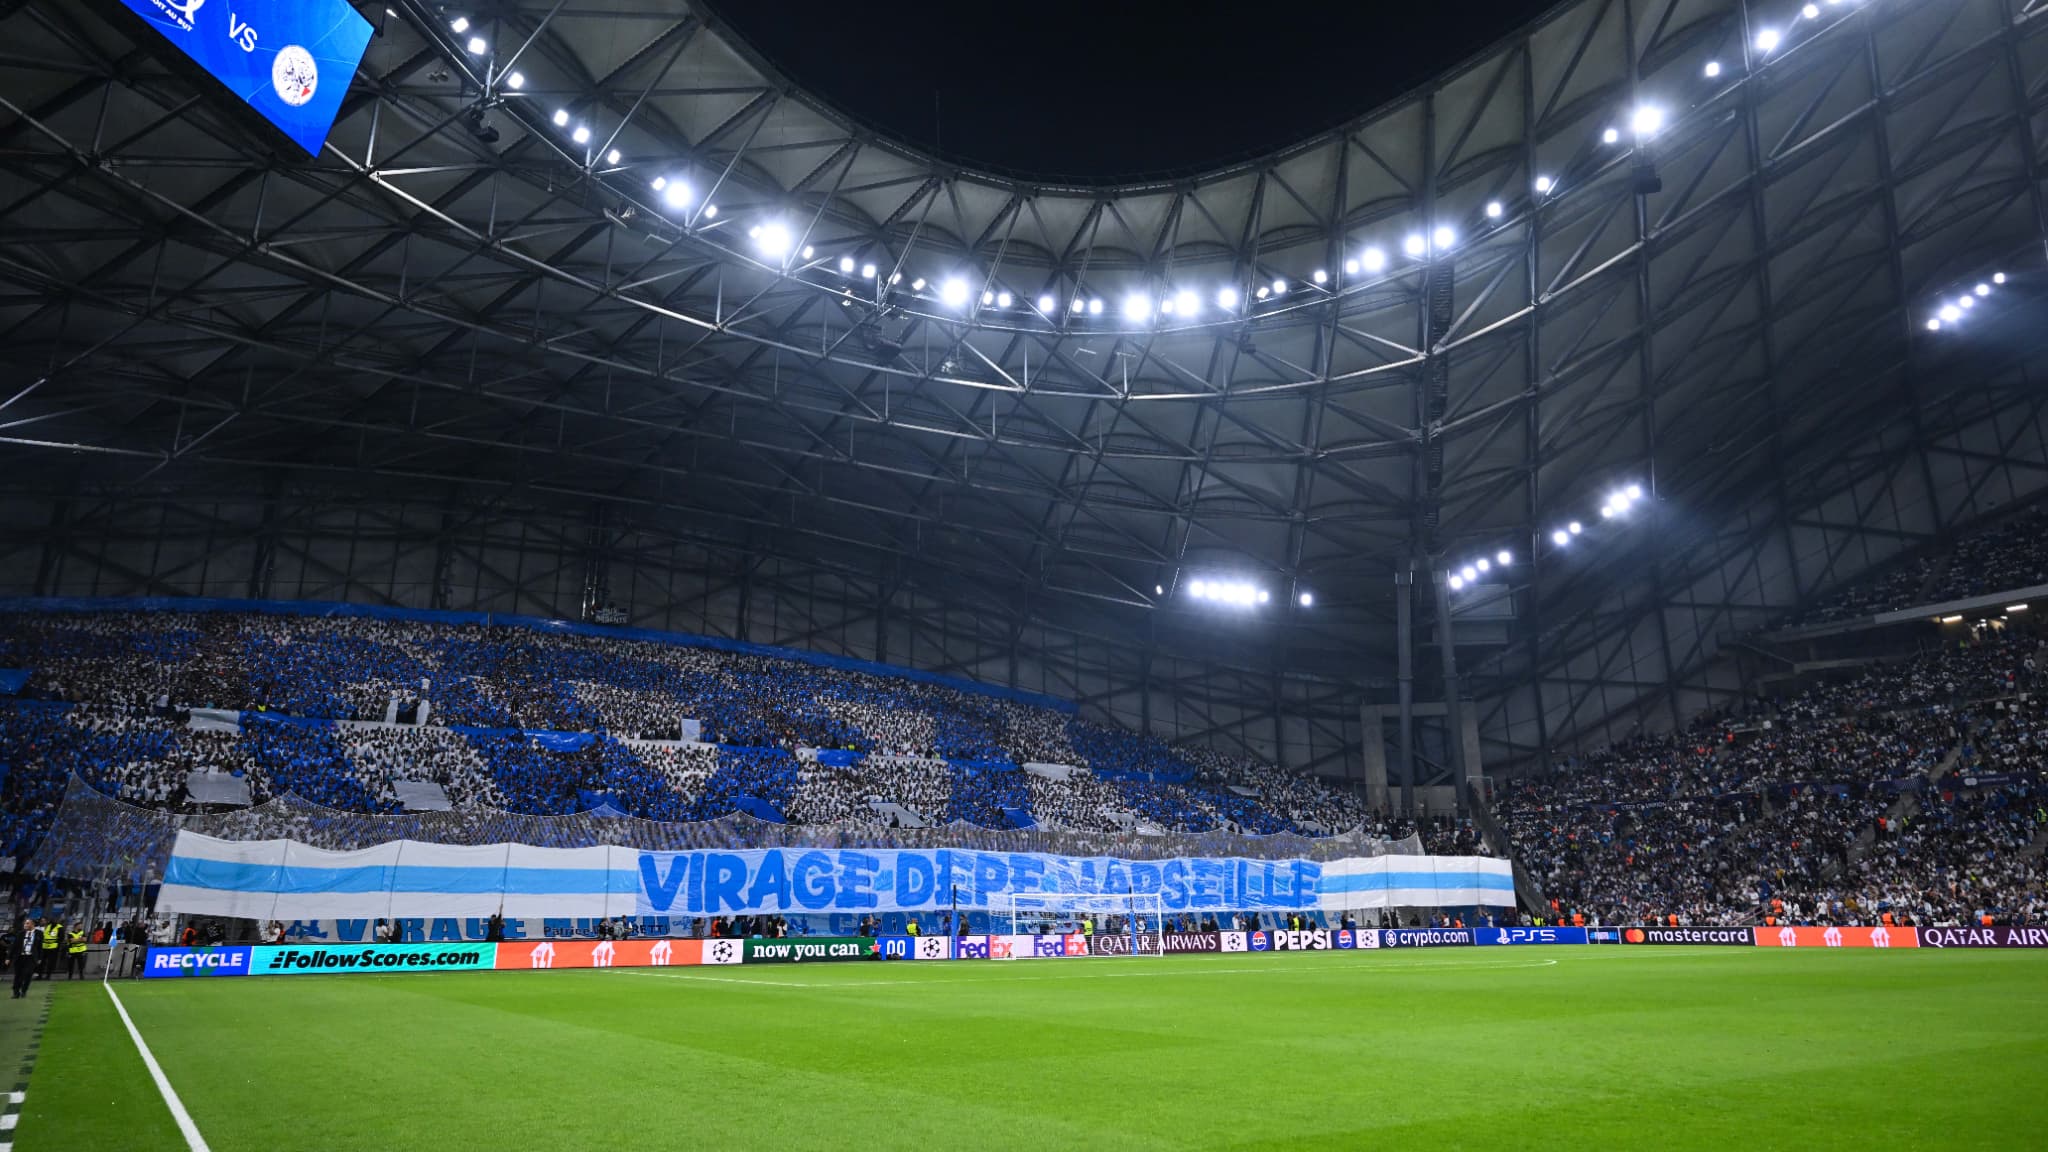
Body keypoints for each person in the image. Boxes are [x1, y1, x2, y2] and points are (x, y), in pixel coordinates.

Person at [11, 917, 36, 999]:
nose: (25, 925)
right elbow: (14, 946)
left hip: (31, 957)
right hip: (20, 957)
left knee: (27, 974)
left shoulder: (39, 933)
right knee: (18, 975)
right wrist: (8, 957)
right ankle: (16, 992)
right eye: (25, 923)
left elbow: (39, 947)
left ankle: (24, 990)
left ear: (32, 924)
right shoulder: (20, 934)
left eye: (27, 923)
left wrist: (39, 958)